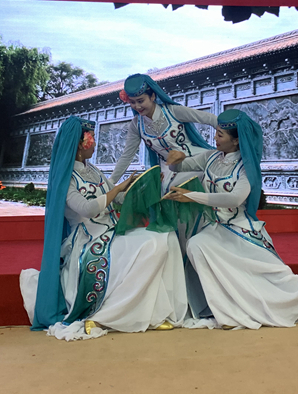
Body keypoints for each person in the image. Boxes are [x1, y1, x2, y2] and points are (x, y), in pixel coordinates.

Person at [167, 109, 298, 329]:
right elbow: (181, 166)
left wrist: (192, 196)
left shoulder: (246, 167)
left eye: (220, 134)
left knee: (283, 282)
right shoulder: (211, 157)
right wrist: (175, 161)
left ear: (237, 140)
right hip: (217, 230)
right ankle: (228, 310)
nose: (215, 138)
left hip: (241, 232)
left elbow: (234, 198)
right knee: (196, 245)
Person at [20, 116, 188, 340]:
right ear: (80, 145)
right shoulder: (66, 178)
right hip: (88, 240)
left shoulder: (94, 170)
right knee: (152, 244)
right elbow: (87, 209)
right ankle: (107, 315)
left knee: (166, 237)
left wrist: (145, 186)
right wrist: (117, 188)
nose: (95, 143)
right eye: (92, 138)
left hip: (111, 230)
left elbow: (119, 200)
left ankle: (154, 312)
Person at [110, 74, 218, 195]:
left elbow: (210, 119)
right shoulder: (136, 125)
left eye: (140, 101)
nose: (137, 106)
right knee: (167, 191)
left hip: (196, 158)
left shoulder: (172, 111)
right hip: (169, 170)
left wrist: (229, 136)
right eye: (132, 102)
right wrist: (110, 182)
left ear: (152, 96)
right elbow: (127, 156)